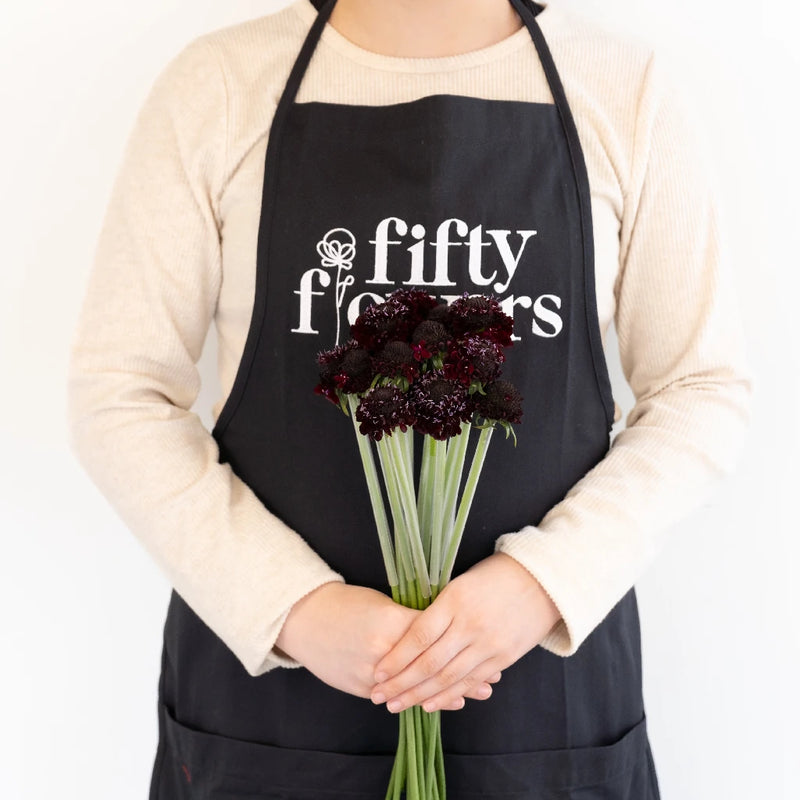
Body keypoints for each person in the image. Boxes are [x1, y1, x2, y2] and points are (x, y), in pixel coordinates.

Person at [67, 0, 753, 797]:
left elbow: (701, 389)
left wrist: (541, 585)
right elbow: (119, 392)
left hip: (539, 713)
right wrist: (297, 609)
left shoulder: (624, 88)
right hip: (276, 713)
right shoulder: (220, 86)